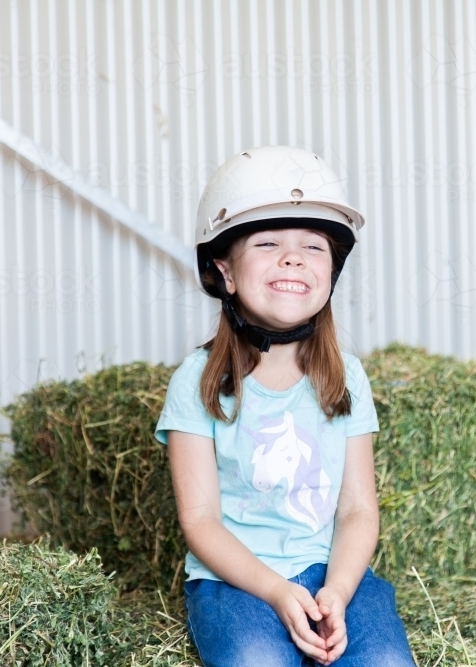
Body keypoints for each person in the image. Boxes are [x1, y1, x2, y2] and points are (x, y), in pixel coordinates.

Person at [154, 146, 416, 667]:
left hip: (333, 573)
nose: (292, 258)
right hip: (237, 581)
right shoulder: (198, 381)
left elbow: (359, 510)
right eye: (268, 242)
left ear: (331, 272)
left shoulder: (347, 376)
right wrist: (275, 590)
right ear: (225, 271)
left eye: (312, 247)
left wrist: (338, 591)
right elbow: (202, 520)